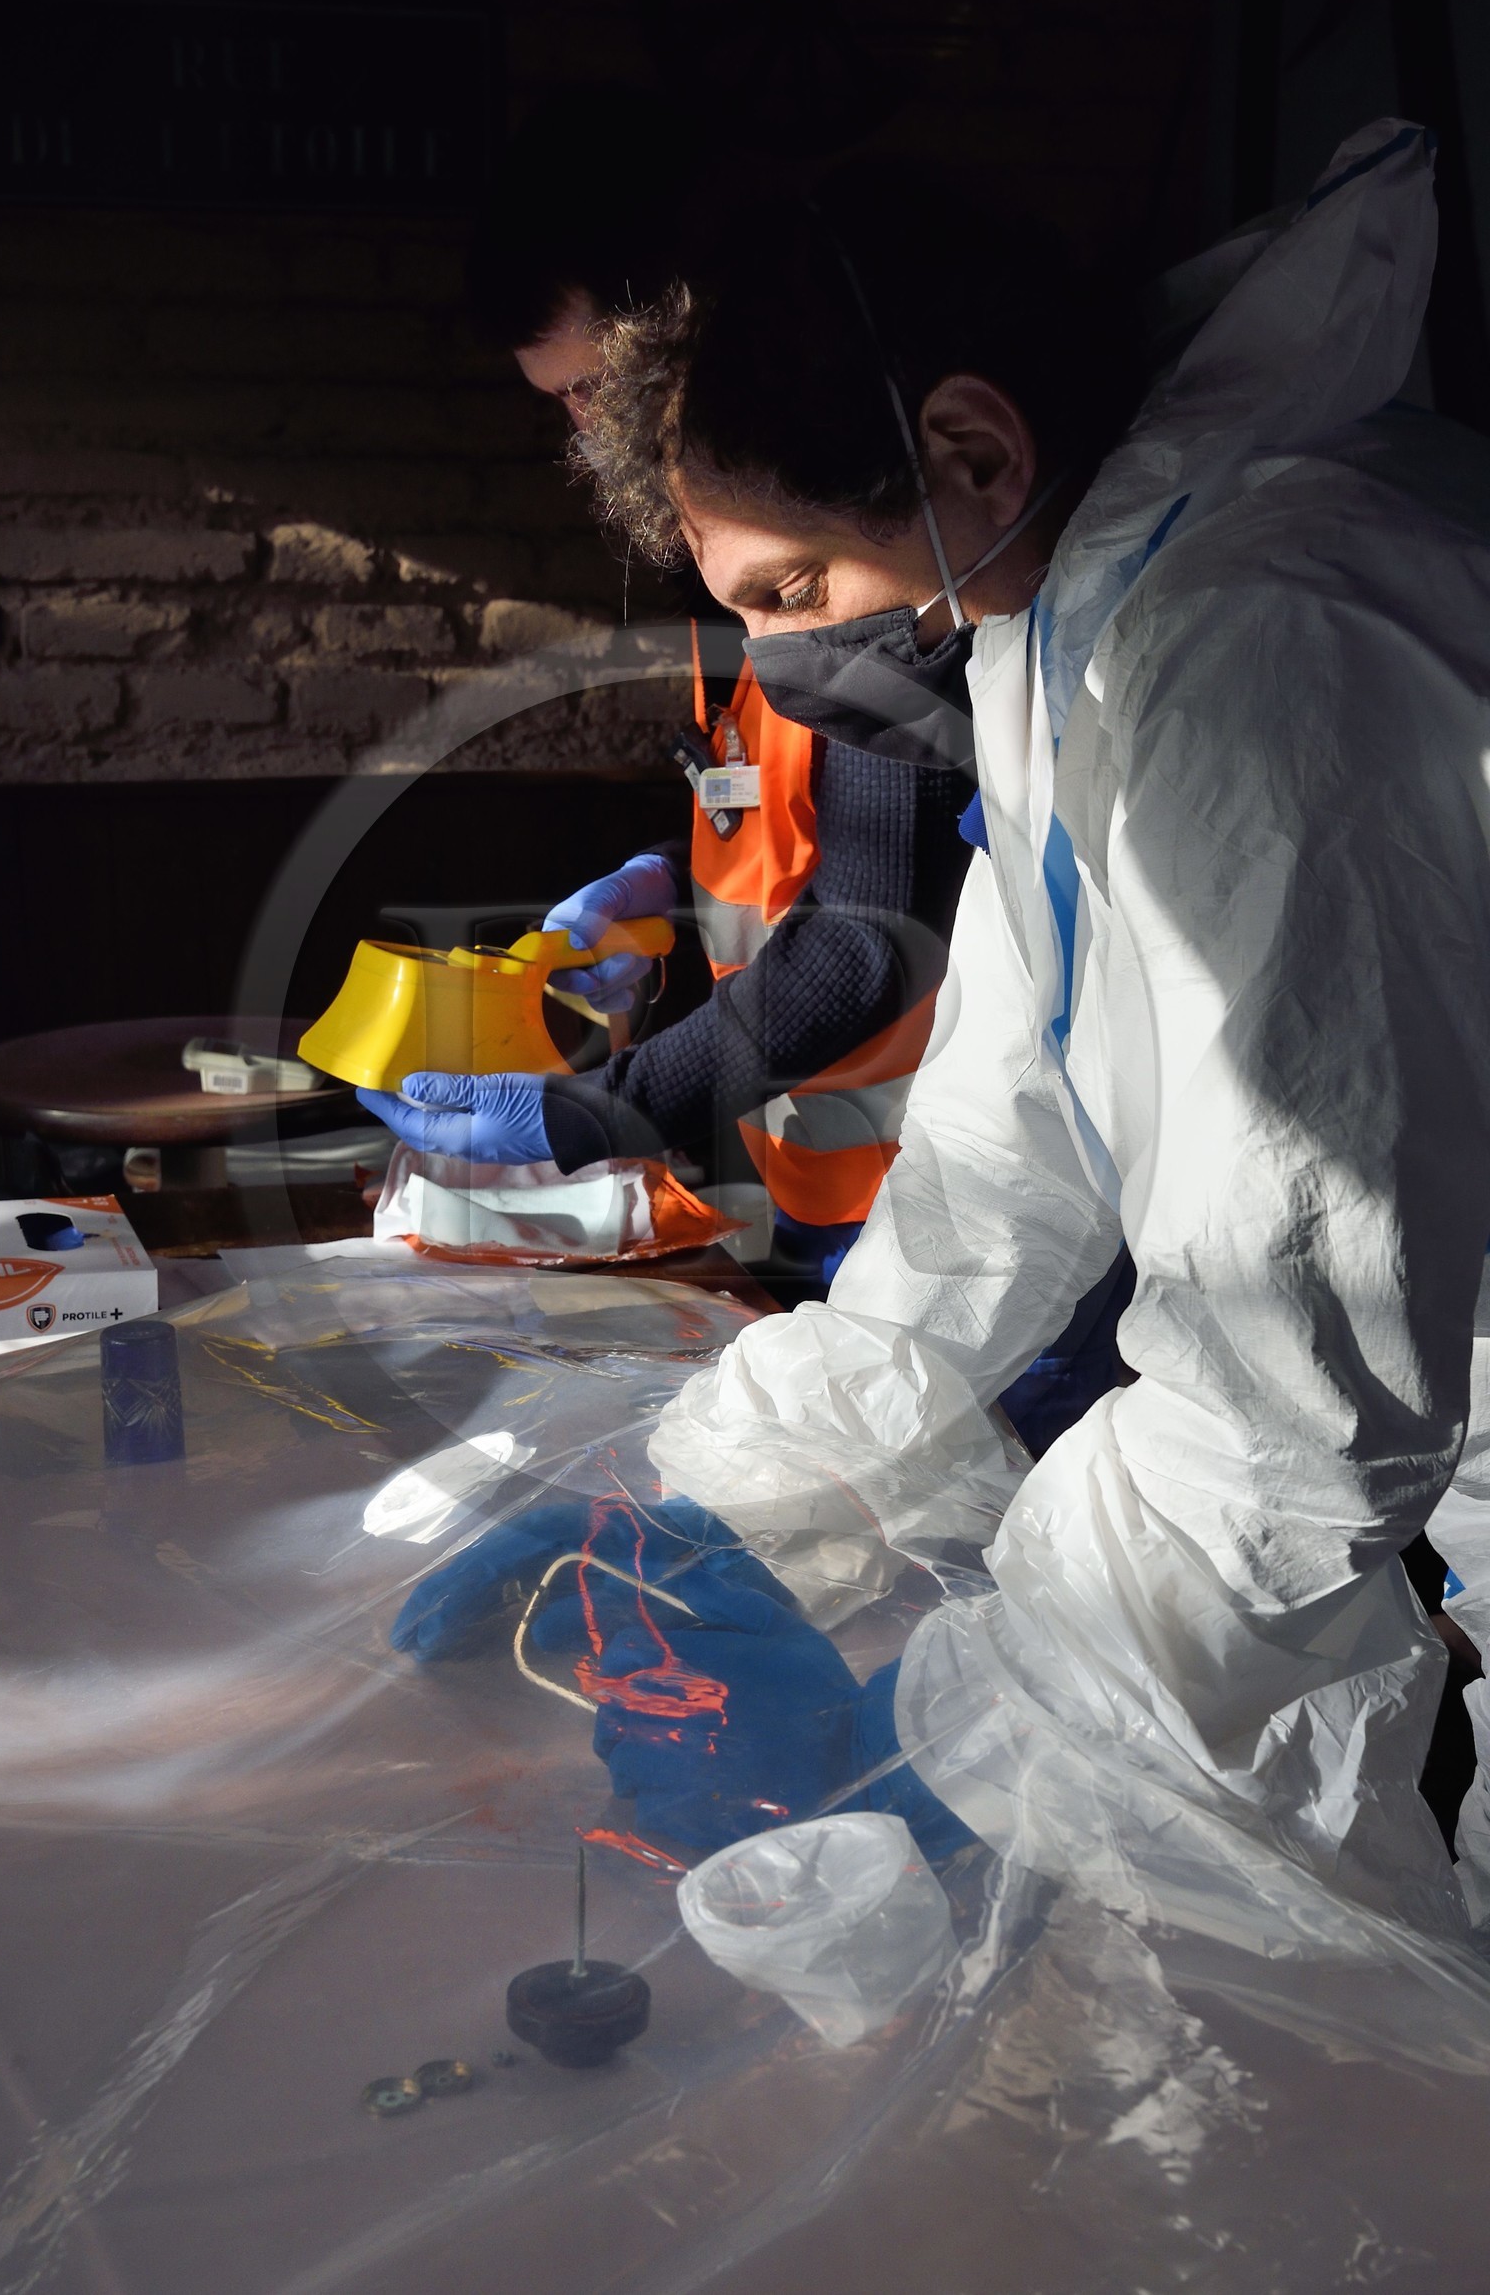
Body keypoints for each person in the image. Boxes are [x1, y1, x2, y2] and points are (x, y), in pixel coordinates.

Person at [394, 120, 1490, 1945]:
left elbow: (1287, 1364)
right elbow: (997, 1154)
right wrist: (724, 1503)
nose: (791, 654)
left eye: (794, 593)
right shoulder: (1067, 629)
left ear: (972, 448)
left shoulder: (1259, 636)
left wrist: (1001, 1751)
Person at [363, 92, 1131, 1444]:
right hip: (843, 1200)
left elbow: (871, 937)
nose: (595, 438)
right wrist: (663, 892)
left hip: (985, 1227)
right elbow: (812, 841)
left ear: (690, 330)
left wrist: (590, 1114)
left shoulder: (877, 577)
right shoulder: (765, 585)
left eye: (596, 389)